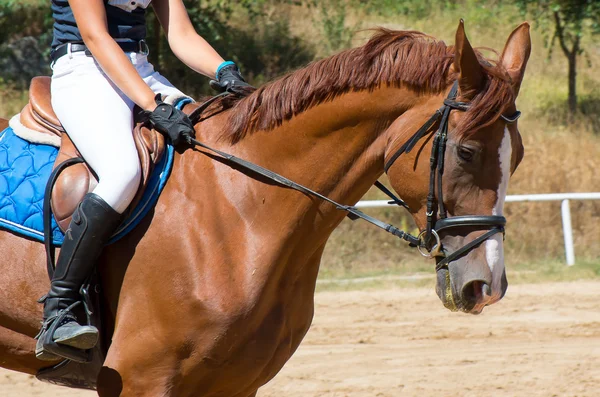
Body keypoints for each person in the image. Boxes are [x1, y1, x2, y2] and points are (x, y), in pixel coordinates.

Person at [36, 0, 252, 362]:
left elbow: (182, 35)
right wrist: (152, 105)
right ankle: (60, 308)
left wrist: (225, 69)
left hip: (139, 69)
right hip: (85, 69)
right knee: (123, 172)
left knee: (208, 143)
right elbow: (95, 35)